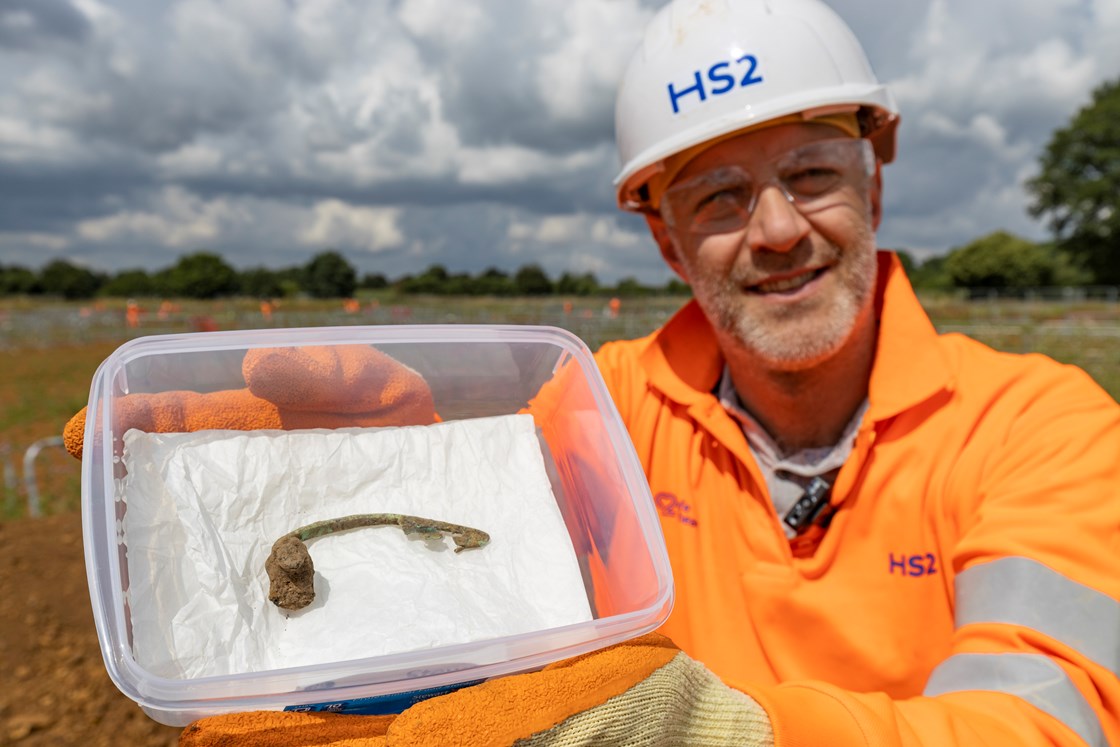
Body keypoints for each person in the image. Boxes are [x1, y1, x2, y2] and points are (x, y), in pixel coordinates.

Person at [69, 0, 1119, 744]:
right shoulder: (601, 409)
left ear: (874, 181)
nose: (776, 231)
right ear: (666, 244)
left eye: (810, 174)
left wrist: (725, 738)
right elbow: (476, 579)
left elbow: (1049, 719)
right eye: (716, 198)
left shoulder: (1040, 427)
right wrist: (398, 494)